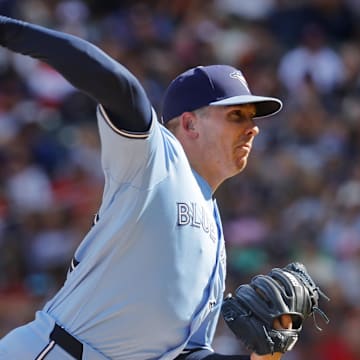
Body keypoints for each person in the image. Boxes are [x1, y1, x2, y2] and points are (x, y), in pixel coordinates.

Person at [0, 15, 288, 360]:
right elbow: (118, 85)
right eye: (237, 116)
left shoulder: (215, 235)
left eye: (252, 119)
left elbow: (188, 355)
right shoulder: (156, 159)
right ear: (189, 123)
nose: (252, 129)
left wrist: (263, 355)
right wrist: (9, 30)